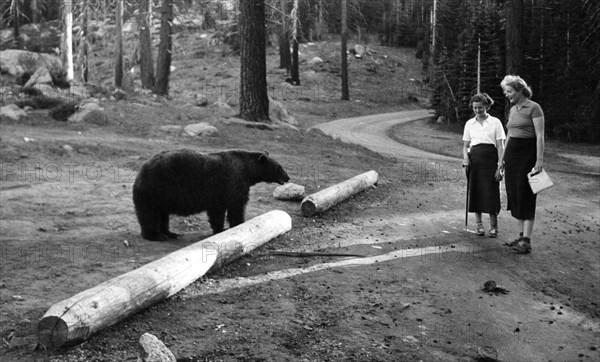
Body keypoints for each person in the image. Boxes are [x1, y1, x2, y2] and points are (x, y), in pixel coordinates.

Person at [498, 75, 545, 254]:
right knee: (515, 194)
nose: (506, 94)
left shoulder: (534, 108)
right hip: (512, 156)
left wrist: (539, 161)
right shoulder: (513, 109)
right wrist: (501, 159)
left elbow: (540, 136)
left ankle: (526, 241)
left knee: (526, 195)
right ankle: (520, 235)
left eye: (509, 91)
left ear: (519, 90)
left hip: (527, 155)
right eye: (505, 91)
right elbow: (509, 135)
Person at [462, 93, 506, 238]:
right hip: (475, 160)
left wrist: (500, 165)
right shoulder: (469, 124)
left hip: (491, 159)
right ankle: (479, 225)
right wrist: (466, 159)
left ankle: (494, 227)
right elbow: (465, 145)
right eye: (475, 108)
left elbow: (500, 145)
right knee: (476, 191)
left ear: (487, 106)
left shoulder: (495, 122)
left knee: (491, 192)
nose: (477, 110)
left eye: (480, 107)